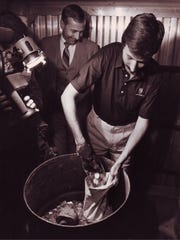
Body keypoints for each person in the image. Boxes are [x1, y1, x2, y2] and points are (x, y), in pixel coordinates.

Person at [61, 13, 165, 179]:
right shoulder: (106, 54)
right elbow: (67, 96)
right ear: (124, 43)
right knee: (94, 174)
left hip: (127, 134)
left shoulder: (155, 76)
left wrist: (120, 162)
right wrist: (80, 140)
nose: (133, 67)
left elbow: (142, 122)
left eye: (141, 62)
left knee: (120, 178)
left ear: (151, 55)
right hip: (97, 127)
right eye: (129, 57)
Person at [32, 4, 99, 155]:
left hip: (80, 114)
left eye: (81, 32)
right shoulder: (44, 44)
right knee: (58, 155)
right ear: (62, 24)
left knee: (78, 155)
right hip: (53, 115)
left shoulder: (92, 49)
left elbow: (95, 87)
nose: (77, 37)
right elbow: (36, 81)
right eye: (73, 31)